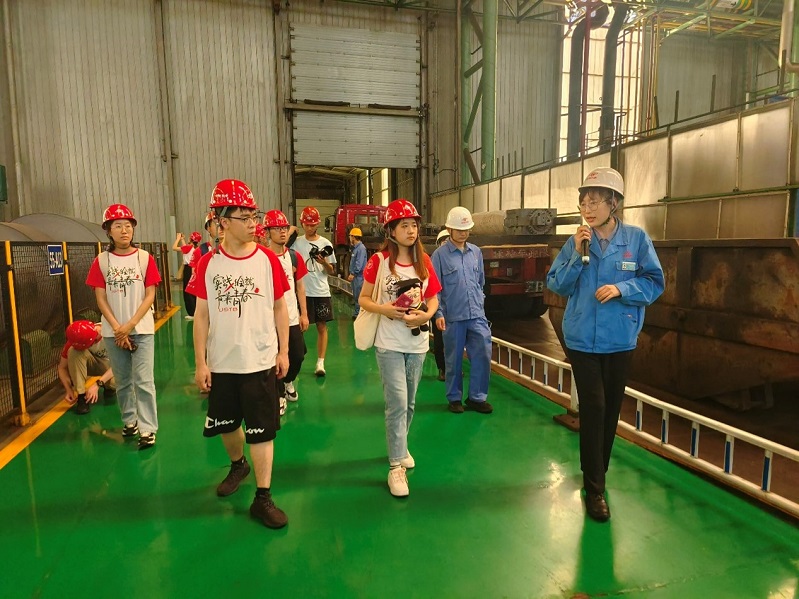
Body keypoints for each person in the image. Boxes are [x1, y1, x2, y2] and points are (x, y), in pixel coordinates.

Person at [546, 167, 664, 523]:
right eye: (583, 202)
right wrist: (576, 255)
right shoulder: (576, 241)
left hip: (619, 338)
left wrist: (621, 289)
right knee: (594, 405)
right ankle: (594, 486)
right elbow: (557, 284)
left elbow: (654, 282)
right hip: (581, 338)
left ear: (614, 203)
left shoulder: (636, 240)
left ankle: (599, 469)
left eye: (594, 201)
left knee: (611, 408)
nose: (587, 208)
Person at [187, 178, 291, 529]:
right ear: (222, 221)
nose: (252, 223)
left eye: (253, 216)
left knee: (262, 431)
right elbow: (201, 316)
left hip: (260, 360)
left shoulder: (267, 259)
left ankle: (263, 498)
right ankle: (238, 465)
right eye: (244, 217)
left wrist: (283, 350)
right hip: (222, 362)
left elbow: (280, 307)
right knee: (226, 425)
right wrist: (201, 362)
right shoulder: (207, 264)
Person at [358, 199, 441, 497]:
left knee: (410, 402)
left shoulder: (424, 261)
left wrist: (427, 315)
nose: (411, 230)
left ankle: (400, 446)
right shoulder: (379, 262)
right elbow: (363, 298)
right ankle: (396, 467)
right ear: (391, 231)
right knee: (397, 402)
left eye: (414, 225)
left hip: (417, 343)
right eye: (404, 225)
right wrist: (385, 309)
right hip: (389, 343)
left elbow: (433, 299)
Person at [86, 203, 161, 449]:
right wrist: (118, 328)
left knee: (144, 381)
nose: (124, 230)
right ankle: (130, 421)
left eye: (128, 226)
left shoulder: (145, 258)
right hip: (113, 332)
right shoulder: (102, 261)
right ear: (109, 231)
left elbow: (150, 295)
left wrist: (130, 325)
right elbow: (100, 298)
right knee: (123, 380)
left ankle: (148, 429)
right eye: (117, 226)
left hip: (142, 330)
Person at [431, 207, 493, 415]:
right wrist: (439, 314)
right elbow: (435, 288)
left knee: (483, 354)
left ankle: (477, 398)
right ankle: (454, 398)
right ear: (449, 229)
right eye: (459, 229)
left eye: (466, 229)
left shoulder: (476, 252)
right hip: (453, 317)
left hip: (476, 315)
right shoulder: (439, 256)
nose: (463, 233)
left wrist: (480, 305)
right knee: (453, 359)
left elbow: (480, 282)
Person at [264, 209, 309, 414]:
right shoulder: (263, 257)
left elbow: (300, 287)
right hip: (268, 321)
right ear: (267, 232)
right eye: (277, 228)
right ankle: (279, 394)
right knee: (274, 359)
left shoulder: (294, 257)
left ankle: (288, 381)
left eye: (284, 228)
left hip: (291, 317)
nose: (282, 232)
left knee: (298, 355)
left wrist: (304, 313)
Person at [289, 206, 336, 377]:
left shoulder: (326, 244)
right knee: (298, 328)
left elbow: (332, 271)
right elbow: (281, 250)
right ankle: (296, 359)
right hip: (302, 292)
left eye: (313, 224)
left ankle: (320, 362)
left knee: (322, 327)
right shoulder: (296, 243)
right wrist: (290, 231)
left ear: (318, 224)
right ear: (302, 223)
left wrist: (324, 263)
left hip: (321, 292)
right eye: (307, 224)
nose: (309, 228)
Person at [57, 320, 115, 415]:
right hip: (95, 363)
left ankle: (109, 387)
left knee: (114, 383)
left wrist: (97, 384)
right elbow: (62, 367)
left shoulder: (112, 333)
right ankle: (81, 396)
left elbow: (119, 364)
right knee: (73, 352)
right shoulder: (77, 339)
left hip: (114, 366)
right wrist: (68, 389)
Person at [432, 229, 449, 381]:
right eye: (444, 241)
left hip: (454, 308)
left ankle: (453, 368)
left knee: (454, 342)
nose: (446, 244)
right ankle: (442, 369)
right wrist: (437, 311)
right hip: (438, 307)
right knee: (440, 340)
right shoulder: (435, 260)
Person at [172, 231, 202, 320]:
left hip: (188, 269)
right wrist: (182, 240)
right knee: (193, 290)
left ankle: (192, 313)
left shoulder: (188, 248)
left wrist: (178, 239)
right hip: (195, 269)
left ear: (191, 238)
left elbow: (174, 248)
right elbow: (186, 250)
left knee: (187, 291)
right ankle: (196, 311)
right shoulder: (196, 248)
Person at [347, 227, 367, 320]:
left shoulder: (361, 249)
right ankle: (357, 312)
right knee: (356, 295)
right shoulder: (356, 248)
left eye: (350, 236)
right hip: (356, 276)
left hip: (359, 277)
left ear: (353, 237)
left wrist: (353, 273)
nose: (349, 238)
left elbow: (359, 263)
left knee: (358, 295)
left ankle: (358, 314)